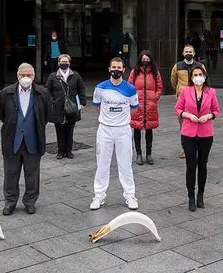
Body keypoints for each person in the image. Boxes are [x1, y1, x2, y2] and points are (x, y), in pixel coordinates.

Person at [0, 63, 51, 215]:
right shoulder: (7, 92)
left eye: (29, 75)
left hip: (33, 140)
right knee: (10, 173)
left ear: (34, 76)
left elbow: (46, 115)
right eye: (23, 75)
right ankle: (10, 202)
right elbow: (2, 113)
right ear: (17, 75)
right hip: (12, 140)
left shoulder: (42, 93)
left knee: (32, 174)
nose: (26, 78)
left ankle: (30, 202)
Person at [90, 57, 140, 211]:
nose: (116, 70)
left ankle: (130, 195)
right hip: (105, 129)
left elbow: (134, 109)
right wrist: (108, 119)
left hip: (123, 130)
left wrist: (121, 120)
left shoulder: (130, 89)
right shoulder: (100, 88)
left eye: (119, 67)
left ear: (123, 70)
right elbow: (97, 106)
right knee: (102, 164)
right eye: (114, 67)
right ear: (109, 69)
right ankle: (99, 195)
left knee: (125, 164)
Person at [176, 64, 219, 212]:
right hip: (188, 133)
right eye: (195, 75)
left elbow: (216, 110)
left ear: (205, 76)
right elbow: (178, 109)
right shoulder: (185, 91)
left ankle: (200, 195)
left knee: (203, 164)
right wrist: (187, 115)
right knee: (191, 165)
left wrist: (209, 116)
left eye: (200, 74)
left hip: (205, 133)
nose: (198, 77)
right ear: (191, 77)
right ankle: (191, 196)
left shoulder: (211, 92)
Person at [45, 54, 86, 160]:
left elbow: (81, 88)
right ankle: (60, 151)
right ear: (58, 63)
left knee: (70, 130)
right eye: (62, 62)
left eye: (66, 62)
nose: (64, 64)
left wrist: (82, 102)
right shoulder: (53, 76)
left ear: (69, 63)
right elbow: (48, 90)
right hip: (58, 107)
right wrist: (52, 101)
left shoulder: (75, 75)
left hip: (72, 107)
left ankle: (68, 151)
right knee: (59, 131)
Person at [128, 50, 163, 166]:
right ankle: (138, 154)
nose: (145, 61)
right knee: (136, 129)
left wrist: (155, 97)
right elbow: (129, 87)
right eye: (143, 59)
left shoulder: (155, 73)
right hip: (137, 104)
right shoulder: (134, 72)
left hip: (150, 105)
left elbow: (159, 87)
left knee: (149, 129)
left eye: (147, 59)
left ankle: (149, 154)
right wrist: (133, 100)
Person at [171, 45, 205, 159]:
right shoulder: (177, 66)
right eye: (186, 52)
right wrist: (179, 91)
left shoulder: (200, 66)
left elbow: (205, 79)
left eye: (190, 51)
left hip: (198, 100)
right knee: (184, 127)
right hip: (183, 102)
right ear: (183, 54)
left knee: (199, 125)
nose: (188, 53)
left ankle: (199, 148)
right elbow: (173, 81)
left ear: (194, 53)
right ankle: (186, 149)